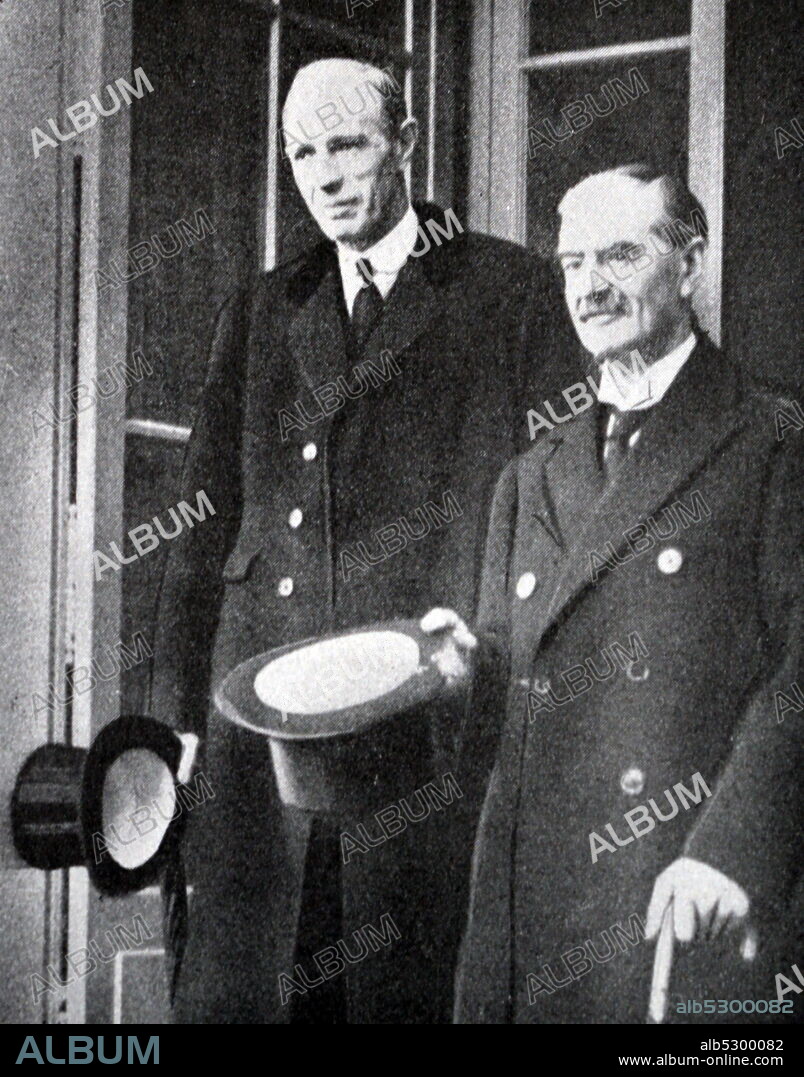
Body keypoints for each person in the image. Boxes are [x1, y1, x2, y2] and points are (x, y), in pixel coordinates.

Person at [149, 57, 569, 1023]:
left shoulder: (509, 293)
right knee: (251, 984)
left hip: (420, 726)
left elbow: (553, 516)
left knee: (397, 990)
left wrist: (490, 658)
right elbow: (204, 522)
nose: (325, 175)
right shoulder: (261, 308)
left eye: (349, 145)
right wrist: (173, 708)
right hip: (260, 721)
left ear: (407, 144)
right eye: (304, 152)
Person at [423, 164, 802, 1023]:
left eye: (620, 256)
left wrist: (733, 848)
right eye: (571, 264)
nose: (589, 288)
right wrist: (458, 673)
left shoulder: (772, 443)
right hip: (526, 920)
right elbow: (504, 722)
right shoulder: (528, 477)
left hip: (677, 901)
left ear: (690, 263)